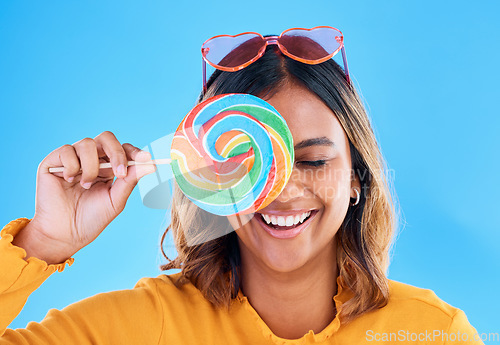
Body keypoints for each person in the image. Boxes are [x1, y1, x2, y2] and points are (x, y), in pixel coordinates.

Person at [0, 27, 483, 344]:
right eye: (248, 159)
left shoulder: (434, 333)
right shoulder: (146, 327)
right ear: (209, 177)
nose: (283, 188)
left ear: (357, 177)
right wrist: (44, 240)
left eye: (314, 160)